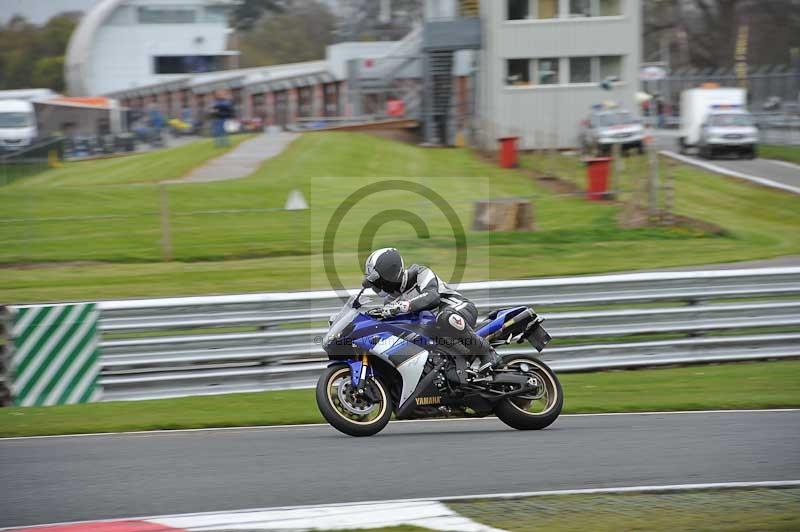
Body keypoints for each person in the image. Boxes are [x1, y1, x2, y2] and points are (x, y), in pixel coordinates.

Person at [361, 248, 501, 376]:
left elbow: (432, 297)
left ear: (389, 273)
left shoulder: (420, 273)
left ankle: (487, 352)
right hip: (437, 330)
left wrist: (400, 307)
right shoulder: (390, 301)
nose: (377, 286)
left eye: (378, 281)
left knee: (445, 317)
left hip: (459, 310)